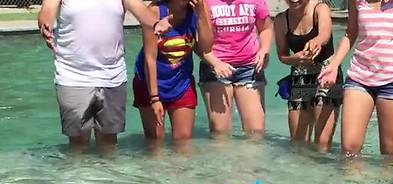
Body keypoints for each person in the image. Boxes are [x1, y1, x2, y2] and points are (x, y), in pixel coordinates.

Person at [37, 0, 173, 148]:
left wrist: (155, 24)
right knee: (78, 143)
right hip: (73, 76)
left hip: (112, 76)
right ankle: (76, 172)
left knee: (109, 143)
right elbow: (47, 11)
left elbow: (140, 10)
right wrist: (45, 24)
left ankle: (107, 172)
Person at [318, 0, 393, 157]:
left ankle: (388, 182)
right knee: (349, 149)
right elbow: (350, 32)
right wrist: (334, 65)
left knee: (390, 151)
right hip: (359, 77)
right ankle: (353, 182)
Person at [133, 0, 212, 143]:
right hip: (149, 82)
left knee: (183, 140)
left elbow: (206, 48)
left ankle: (182, 167)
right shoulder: (154, 11)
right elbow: (149, 59)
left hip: (181, 82)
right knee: (155, 140)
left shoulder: (197, 9)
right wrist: (155, 98)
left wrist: (201, 15)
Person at [274, 0, 343, 151]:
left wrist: (316, 41)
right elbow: (282, 56)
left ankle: (321, 173)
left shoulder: (320, 8)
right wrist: (295, 59)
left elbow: (324, 34)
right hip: (300, 75)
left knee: (322, 143)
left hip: (326, 74)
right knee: (298, 142)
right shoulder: (280, 20)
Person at [199, 0, 273, 137]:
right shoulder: (205, 2)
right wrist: (214, 62)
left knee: (256, 132)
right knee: (220, 132)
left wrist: (264, 50)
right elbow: (197, 39)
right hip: (215, 67)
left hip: (250, 67)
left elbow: (266, 27)